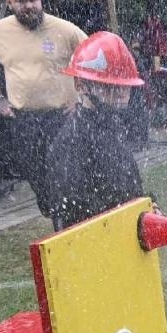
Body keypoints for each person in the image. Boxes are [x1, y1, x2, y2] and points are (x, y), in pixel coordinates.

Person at [0, 0, 87, 214]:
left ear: (40, 0)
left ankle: (69, 216)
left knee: (66, 174)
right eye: (21, 1)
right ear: (9, 3)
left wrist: (82, 98)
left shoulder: (65, 30)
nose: (29, 6)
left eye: (33, 0)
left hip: (63, 116)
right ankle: (53, 212)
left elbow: (92, 59)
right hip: (24, 119)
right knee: (36, 175)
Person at [44, 30, 145, 232]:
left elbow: (127, 186)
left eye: (125, 87)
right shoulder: (71, 143)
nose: (121, 95)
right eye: (110, 87)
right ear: (81, 85)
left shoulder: (111, 127)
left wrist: (146, 209)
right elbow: (73, 218)